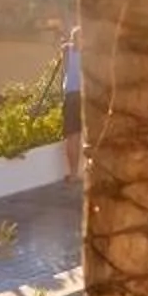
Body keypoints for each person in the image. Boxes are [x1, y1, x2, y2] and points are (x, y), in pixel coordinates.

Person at [61, 23, 83, 182]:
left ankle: (74, 173)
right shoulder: (92, 54)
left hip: (71, 96)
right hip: (86, 95)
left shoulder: (67, 52)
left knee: (72, 135)